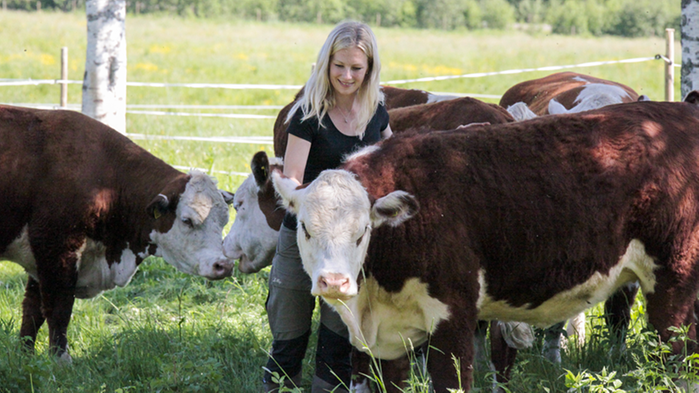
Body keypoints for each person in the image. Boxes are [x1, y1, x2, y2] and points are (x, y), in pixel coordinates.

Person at [263, 20, 392, 393]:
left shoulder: (376, 110)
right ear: (326, 63)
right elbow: (294, 182)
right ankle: (280, 386)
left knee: (338, 342)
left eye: (356, 68)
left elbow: (391, 162)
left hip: (347, 244)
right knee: (288, 332)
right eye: (339, 66)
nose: (347, 76)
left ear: (369, 69)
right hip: (304, 237)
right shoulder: (308, 113)